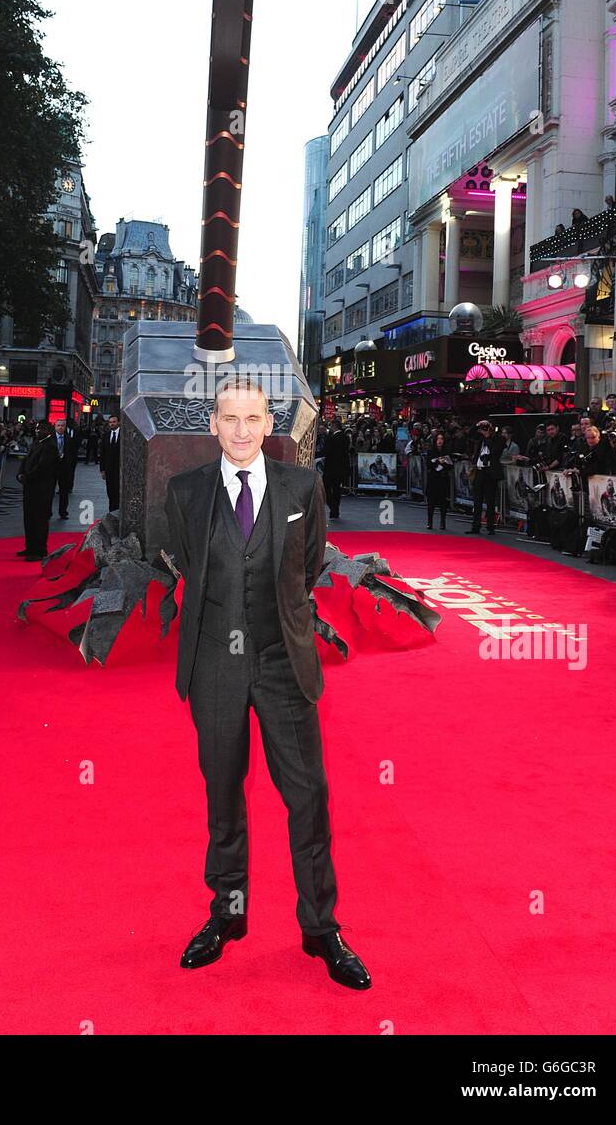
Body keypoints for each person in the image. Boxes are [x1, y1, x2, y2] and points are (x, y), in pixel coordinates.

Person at [164, 378, 370, 992]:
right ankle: (226, 917)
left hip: (283, 660)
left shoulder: (301, 485)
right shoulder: (186, 492)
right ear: (213, 424)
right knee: (223, 795)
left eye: (254, 417)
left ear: (268, 422)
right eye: (230, 418)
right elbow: (186, 564)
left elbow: (305, 570)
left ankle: (321, 927)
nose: (243, 430)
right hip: (214, 665)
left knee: (307, 795)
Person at [16, 421, 60, 561]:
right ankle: (30, 546)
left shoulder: (50, 446)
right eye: (36, 429)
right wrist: (20, 473)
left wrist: (28, 476)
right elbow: (26, 460)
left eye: (40, 429)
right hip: (30, 487)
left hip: (41, 488)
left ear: (47, 430)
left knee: (39, 519)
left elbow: (42, 467)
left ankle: (39, 549)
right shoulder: (37, 443)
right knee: (29, 518)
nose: (37, 431)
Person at [468, 419, 504, 536]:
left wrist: (488, 437)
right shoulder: (480, 438)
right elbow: (470, 434)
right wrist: (478, 424)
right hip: (479, 471)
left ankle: (490, 527)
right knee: (477, 500)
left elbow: (495, 450)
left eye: (486, 428)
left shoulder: (499, 439)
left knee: (490, 501)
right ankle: (475, 526)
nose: (484, 430)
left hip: (490, 473)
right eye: (483, 428)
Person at [321, 418, 350, 520]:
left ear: (334, 426)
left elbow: (327, 452)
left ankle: (334, 508)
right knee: (337, 489)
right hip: (341, 469)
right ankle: (335, 510)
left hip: (330, 469)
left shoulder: (331, 438)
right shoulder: (346, 438)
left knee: (326, 489)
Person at [53, 416, 79, 519]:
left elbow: (72, 454)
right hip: (52, 468)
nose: (60, 428)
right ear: (55, 426)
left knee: (64, 492)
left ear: (65, 427)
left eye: (62, 426)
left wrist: (71, 467)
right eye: (58, 425)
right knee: (49, 491)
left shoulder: (69, 439)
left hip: (64, 468)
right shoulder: (50, 438)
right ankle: (48, 511)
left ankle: (63, 511)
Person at [425, 431, 452, 530]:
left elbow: (450, 465)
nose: (440, 441)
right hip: (433, 479)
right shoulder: (431, 451)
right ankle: (429, 521)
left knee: (443, 502)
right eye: (438, 439)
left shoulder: (446, 451)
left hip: (443, 479)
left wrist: (444, 462)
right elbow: (428, 464)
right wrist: (437, 461)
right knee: (431, 502)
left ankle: (443, 522)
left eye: (441, 439)